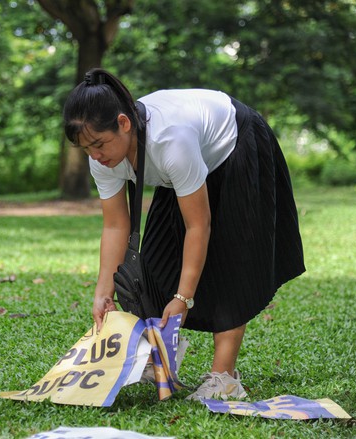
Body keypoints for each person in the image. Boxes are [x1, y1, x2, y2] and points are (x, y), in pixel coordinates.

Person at [62, 68, 305, 400]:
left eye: (99, 145)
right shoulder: (102, 158)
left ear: (124, 123)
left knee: (232, 259)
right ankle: (159, 353)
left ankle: (224, 377)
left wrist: (183, 298)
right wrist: (102, 291)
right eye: (86, 149)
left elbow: (198, 226)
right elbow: (116, 225)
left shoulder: (170, 141)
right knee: (156, 258)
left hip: (236, 142)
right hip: (186, 166)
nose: (96, 156)